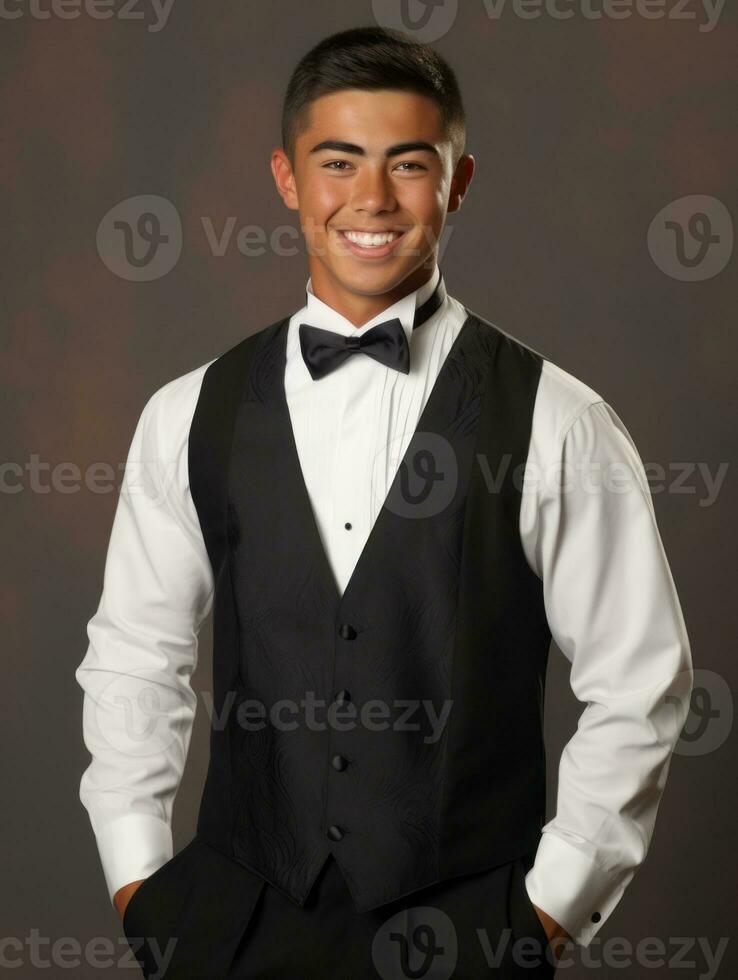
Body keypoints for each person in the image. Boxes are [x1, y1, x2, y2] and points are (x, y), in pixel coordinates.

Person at [75, 25, 693, 979]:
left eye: (409, 164)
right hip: (233, 923)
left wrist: (549, 909)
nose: (370, 199)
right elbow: (134, 654)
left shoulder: (559, 420)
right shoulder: (186, 414)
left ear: (460, 180)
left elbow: (641, 681)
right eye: (339, 162)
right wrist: (138, 879)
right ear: (286, 178)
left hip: (469, 930)